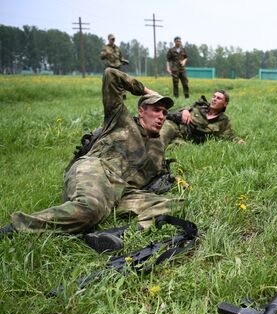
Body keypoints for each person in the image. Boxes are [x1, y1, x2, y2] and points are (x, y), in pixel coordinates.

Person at [0, 68, 183, 253]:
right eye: (156, 110)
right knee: (90, 209)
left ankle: (117, 234)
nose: (161, 116)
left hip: (122, 191)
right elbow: (111, 75)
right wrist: (146, 91)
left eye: (165, 113)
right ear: (141, 111)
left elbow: (176, 128)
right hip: (96, 169)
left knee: (175, 204)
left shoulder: (157, 146)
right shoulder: (121, 120)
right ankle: (16, 227)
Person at [160, 90, 245, 145]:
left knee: (179, 148)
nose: (214, 99)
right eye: (214, 96)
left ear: (225, 104)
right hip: (174, 126)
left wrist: (239, 141)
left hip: (184, 138)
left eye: (218, 98)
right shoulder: (201, 106)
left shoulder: (223, 121)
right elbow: (183, 109)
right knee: (161, 140)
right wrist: (185, 110)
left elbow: (230, 136)